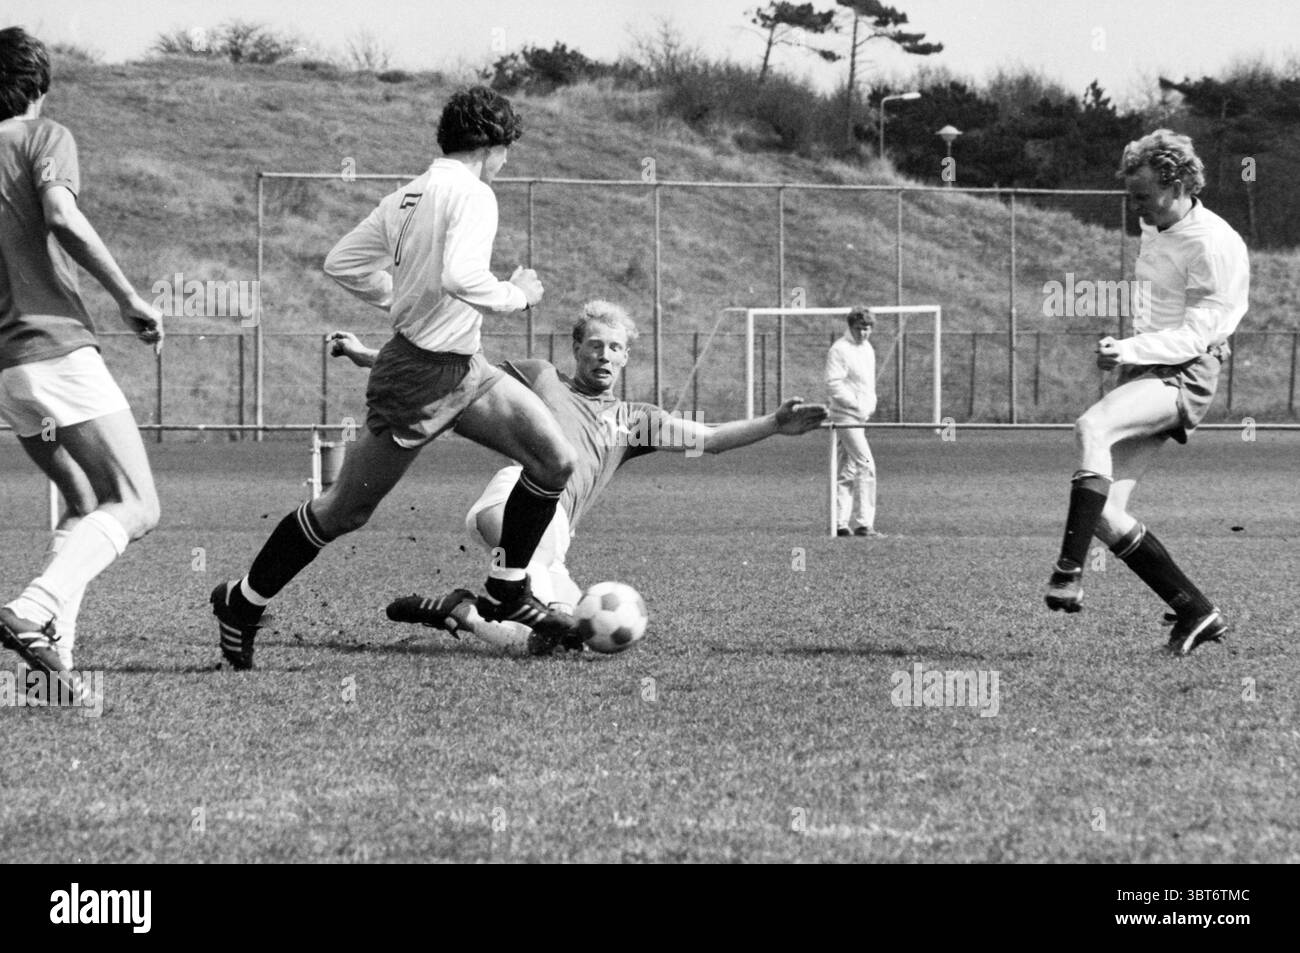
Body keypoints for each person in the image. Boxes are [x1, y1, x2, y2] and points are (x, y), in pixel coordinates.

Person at [210, 86, 580, 670]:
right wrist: (519, 296)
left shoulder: (407, 195)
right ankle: (242, 601)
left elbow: (343, 263)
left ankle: (506, 589)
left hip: (465, 367)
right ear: (492, 143)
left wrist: (405, 295)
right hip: (418, 379)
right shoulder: (474, 193)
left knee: (554, 460)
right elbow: (462, 277)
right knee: (343, 512)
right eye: (509, 149)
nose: (508, 162)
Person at [326, 299, 829, 654]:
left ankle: (462, 611)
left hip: (557, 533)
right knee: (546, 617)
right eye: (594, 345)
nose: (603, 355)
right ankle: (478, 604)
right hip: (514, 503)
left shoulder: (636, 420)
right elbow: (453, 373)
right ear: (576, 348)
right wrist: (364, 353)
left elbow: (712, 438)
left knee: (564, 639)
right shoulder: (541, 378)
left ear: (626, 356)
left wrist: (773, 425)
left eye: (614, 348)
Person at [0, 28, 163, 694]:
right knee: (138, 503)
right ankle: (31, 609)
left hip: (8, 371)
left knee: (82, 500)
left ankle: (54, 664)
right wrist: (128, 297)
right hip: (57, 346)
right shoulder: (43, 136)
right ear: (39, 85)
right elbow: (62, 216)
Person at [1045, 129, 1249, 655]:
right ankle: (1195, 611)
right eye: (1132, 195)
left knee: (1091, 426)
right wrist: (1127, 353)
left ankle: (1067, 572)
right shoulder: (1156, 222)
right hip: (1149, 368)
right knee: (1107, 514)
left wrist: (1131, 350)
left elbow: (1200, 332)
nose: (1136, 206)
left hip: (1184, 371)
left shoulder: (1214, 242)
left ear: (1177, 182)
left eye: (1143, 195)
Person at [825, 307, 884, 537]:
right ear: (850, 327)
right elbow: (833, 384)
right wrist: (854, 404)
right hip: (844, 414)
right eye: (859, 329)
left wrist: (869, 405)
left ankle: (839, 523)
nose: (863, 333)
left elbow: (867, 383)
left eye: (867, 329)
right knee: (866, 464)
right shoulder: (839, 350)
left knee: (847, 469)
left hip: (861, 416)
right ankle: (864, 523)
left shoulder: (868, 349)